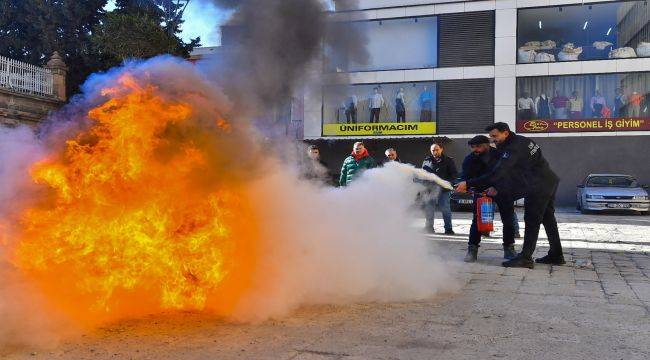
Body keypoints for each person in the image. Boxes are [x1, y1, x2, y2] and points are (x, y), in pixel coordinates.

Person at [455, 123, 564, 269]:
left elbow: (498, 174)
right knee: (548, 218)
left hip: (538, 185)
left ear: (505, 133)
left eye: (495, 136)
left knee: (532, 219)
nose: (493, 140)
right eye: (491, 137)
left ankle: (525, 257)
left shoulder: (513, 149)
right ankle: (556, 254)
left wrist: (468, 184)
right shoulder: (521, 140)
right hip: (548, 180)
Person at [460, 135, 522, 262]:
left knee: (508, 219)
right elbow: (466, 179)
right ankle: (472, 250)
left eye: (478, 146)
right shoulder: (469, 160)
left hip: (502, 191)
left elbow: (508, 174)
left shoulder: (500, 155)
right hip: (481, 192)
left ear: (487, 145)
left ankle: (509, 249)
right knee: (477, 220)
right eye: (473, 147)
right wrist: (470, 188)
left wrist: (496, 187)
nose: (475, 150)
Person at [422, 143, 457, 235]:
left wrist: (447, 183)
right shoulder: (426, 160)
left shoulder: (449, 160)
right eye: (433, 150)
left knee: (445, 209)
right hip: (430, 190)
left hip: (444, 190)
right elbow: (423, 174)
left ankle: (448, 229)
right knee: (429, 209)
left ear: (441, 149)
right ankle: (429, 228)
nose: (435, 151)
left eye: (437, 149)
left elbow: (454, 175)